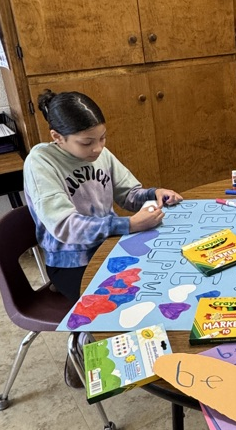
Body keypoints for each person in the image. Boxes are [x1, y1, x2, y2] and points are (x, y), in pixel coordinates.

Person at [23, 90, 183, 384]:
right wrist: (128, 225)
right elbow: (64, 227)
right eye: (87, 142)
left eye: (102, 138)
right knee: (129, 301)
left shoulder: (99, 153)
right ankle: (87, 343)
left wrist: (154, 194)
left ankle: (167, 357)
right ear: (58, 137)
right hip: (70, 261)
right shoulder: (40, 163)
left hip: (110, 246)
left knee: (171, 273)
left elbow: (128, 194)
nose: (98, 148)